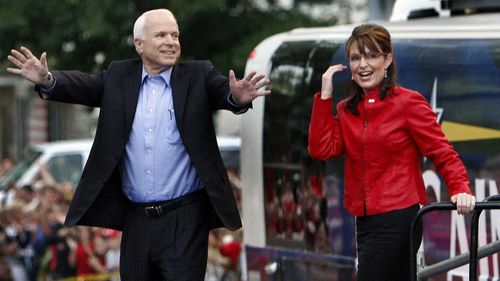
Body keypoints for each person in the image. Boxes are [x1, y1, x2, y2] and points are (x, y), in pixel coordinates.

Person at [7, 8, 270, 281]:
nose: (171, 41)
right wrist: (48, 80)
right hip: (135, 219)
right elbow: (84, 85)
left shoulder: (198, 75)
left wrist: (236, 97)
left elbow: (223, 92)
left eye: (175, 35)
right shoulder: (119, 76)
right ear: (139, 44)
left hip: (185, 218)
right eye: (161, 35)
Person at [307, 23, 476, 281]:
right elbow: (321, 149)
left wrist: (460, 187)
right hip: (363, 221)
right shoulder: (346, 109)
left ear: (387, 59)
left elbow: (441, 150)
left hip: (400, 218)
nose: (363, 64)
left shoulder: (407, 102)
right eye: (355, 58)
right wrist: (325, 95)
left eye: (372, 55)